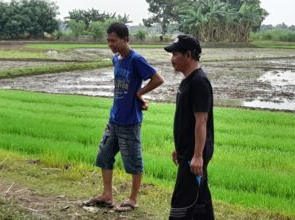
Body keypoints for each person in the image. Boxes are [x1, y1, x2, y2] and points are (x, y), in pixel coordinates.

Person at [85, 22, 164, 212]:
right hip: (114, 118)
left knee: (133, 161)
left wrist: (139, 93)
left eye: (114, 41)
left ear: (125, 39)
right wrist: (138, 95)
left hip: (129, 121)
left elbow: (157, 79)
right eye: (108, 40)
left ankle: (133, 199)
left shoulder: (136, 59)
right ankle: (107, 195)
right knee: (104, 156)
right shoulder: (116, 59)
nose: (110, 44)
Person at [164, 35, 215, 220]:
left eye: (176, 54)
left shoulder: (199, 82)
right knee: (200, 199)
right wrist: (180, 148)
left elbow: (201, 121)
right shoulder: (187, 80)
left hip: (195, 153)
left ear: (189, 55)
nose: (172, 59)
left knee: (182, 200)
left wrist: (197, 155)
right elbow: (185, 121)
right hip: (189, 150)